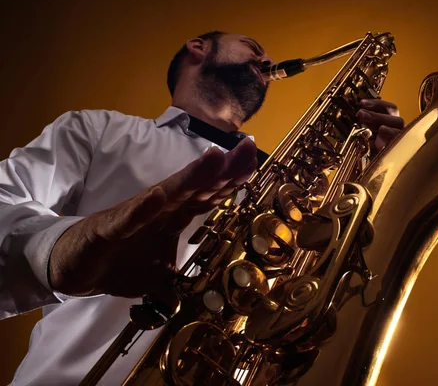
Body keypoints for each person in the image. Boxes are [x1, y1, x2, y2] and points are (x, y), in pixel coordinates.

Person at [0, 31, 405, 385]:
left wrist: (375, 176)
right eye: (252, 47)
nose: (266, 61)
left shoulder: (299, 190)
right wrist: (62, 250)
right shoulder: (99, 130)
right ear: (198, 48)